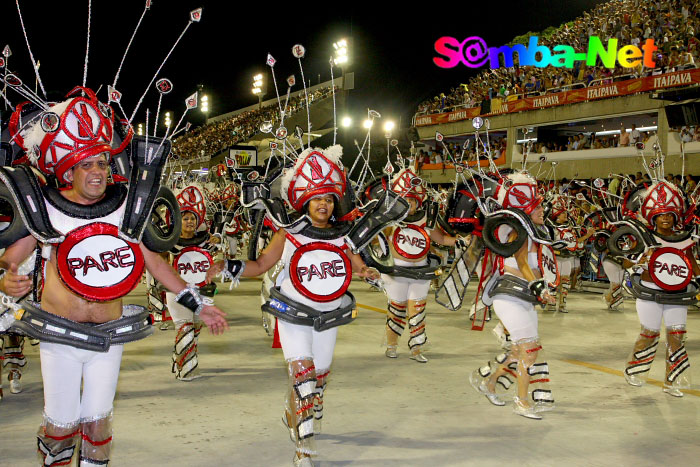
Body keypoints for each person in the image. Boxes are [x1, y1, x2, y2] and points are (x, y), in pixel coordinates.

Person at [0, 88, 228, 466]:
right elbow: (9, 261)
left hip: (109, 338)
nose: (98, 172)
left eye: (103, 163)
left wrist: (198, 304)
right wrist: (7, 282)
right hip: (60, 337)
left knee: (98, 427)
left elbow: (157, 266)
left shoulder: (123, 211)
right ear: (69, 170)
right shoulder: (48, 211)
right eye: (88, 165)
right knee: (61, 426)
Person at [208, 146, 389, 467]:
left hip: (329, 315)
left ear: (335, 202)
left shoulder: (342, 237)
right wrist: (228, 266)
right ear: (305, 200)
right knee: (304, 377)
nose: (323, 204)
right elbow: (262, 264)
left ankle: (292, 413)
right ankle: (304, 451)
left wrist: (368, 271)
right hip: (292, 313)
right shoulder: (289, 233)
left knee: (318, 377)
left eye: (329, 198)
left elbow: (358, 266)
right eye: (317, 198)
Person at [470, 172, 556, 420]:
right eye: (538, 206)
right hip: (509, 296)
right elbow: (523, 264)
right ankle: (522, 401)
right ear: (526, 208)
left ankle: (488, 382)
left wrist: (544, 288)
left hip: (522, 297)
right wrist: (540, 287)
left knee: (521, 350)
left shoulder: (533, 231)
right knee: (530, 349)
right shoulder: (519, 232)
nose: (543, 210)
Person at [622, 180, 698, 397]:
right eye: (661, 214)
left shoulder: (685, 240)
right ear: (653, 216)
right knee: (649, 334)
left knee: (677, 335)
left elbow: (693, 264)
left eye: (670, 214)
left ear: (676, 216)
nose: (665, 218)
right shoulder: (642, 237)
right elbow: (626, 262)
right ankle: (635, 370)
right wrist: (639, 261)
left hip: (677, 293)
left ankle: (672, 380)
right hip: (649, 292)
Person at [381, 168, 463, 362]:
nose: (409, 204)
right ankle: (391, 346)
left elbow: (441, 238)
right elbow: (376, 241)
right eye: (405, 199)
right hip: (397, 272)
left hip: (421, 271)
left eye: (412, 200)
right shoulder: (389, 220)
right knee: (396, 309)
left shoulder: (426, 219)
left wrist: (459, 240)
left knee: (418, 310)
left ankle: (416, 349)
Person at [167, 185, 221, 381]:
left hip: (201, 292)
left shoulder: (205, 241)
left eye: (192, 219)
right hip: (178, 293)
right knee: (185, 327)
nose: (189, 222)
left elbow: (212, 261)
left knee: (196, 327)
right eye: (185, 218)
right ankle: (187, 370)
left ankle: (178, 359)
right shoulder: (167, 243)